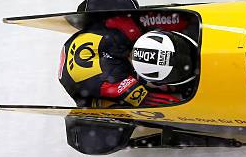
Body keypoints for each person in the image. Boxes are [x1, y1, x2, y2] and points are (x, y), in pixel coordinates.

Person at [59, 16, 197, 108]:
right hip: (77, 85)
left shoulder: (128, 30)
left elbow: (125, 19)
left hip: (97, 41)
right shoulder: (117, 82)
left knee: (138, 21)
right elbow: (148, 100)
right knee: (118, 105)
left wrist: (183, 20)